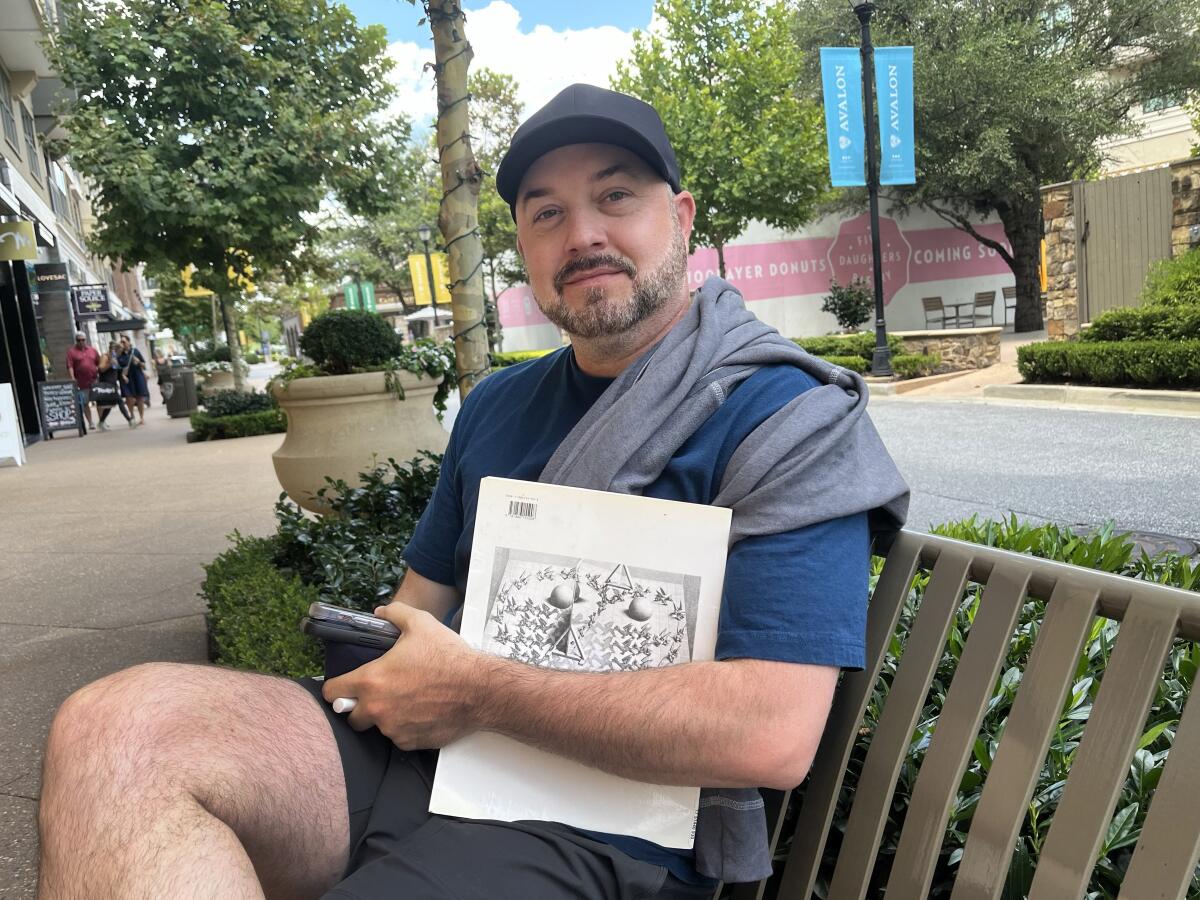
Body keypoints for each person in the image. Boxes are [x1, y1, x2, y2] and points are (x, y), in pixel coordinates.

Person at [36, 85, 908, 900]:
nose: (583, 236)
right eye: (547, 213)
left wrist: (479, 690)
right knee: (116, 727)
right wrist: (388, 661)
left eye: (616, 198)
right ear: (523, 248)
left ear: (679, 218)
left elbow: (772, 734)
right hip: (430, 761)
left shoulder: (789, 417)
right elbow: (416, 607)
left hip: (604, 827)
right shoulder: (498, 404)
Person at [94, 341, 136, 430]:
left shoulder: (115, 357)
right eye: (119, 351)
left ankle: (101, 422)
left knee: (110, 405)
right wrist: (110, 363)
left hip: (113, 384)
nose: (120, 353)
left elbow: (117, 370)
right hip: (106, 384)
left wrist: (123, 376)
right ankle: (129, 420)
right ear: (115, 349)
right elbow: (101, 369)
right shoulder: (105, 356)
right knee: (119, 401)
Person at [64, 331, 99, 431]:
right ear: (76, 341)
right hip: (81, 383)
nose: (81, 342)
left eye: (83, 340)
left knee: (99, 401)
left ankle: (102, 420)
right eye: (79, 340)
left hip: (94, 381)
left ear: (86, 340)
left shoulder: (92, 350)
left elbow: (99, 362)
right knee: (85, 403)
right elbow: (70, 366)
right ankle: (91, 422)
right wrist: (72, 378)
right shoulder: (71, 352)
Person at [116, 335, 149, 426]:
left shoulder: (135, 351)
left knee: (139, 398)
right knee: (128, 397)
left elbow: (144, 366)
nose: (122, 344)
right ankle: (132, 416)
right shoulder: (119, 354)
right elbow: (116, 367)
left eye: (124, 342)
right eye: (121, 342)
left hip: (137, 377)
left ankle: (141, 417)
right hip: (125, 379)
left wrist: (138, 362)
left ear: (129, 342)